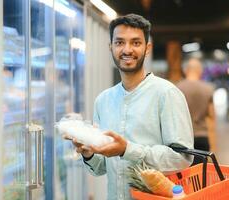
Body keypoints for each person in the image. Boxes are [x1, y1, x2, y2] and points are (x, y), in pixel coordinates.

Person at [70, 14, 193, 200]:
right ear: (110, 47)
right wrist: (88, 153)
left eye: (136, 43)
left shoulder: (166, 93)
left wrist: (127, 149)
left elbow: (182, 158)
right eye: (119, 42)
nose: (127, 49)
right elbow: (101, 167)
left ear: (147, 48)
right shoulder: (103, 101)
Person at [177, 58, 216, 164]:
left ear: (186, 70)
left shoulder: (177, 88)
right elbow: (211, 117)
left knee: (185, 176)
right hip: (203, 137)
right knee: (201, 175)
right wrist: (213, 145)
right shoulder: (208, 89)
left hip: (183, 139)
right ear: (200, 71)